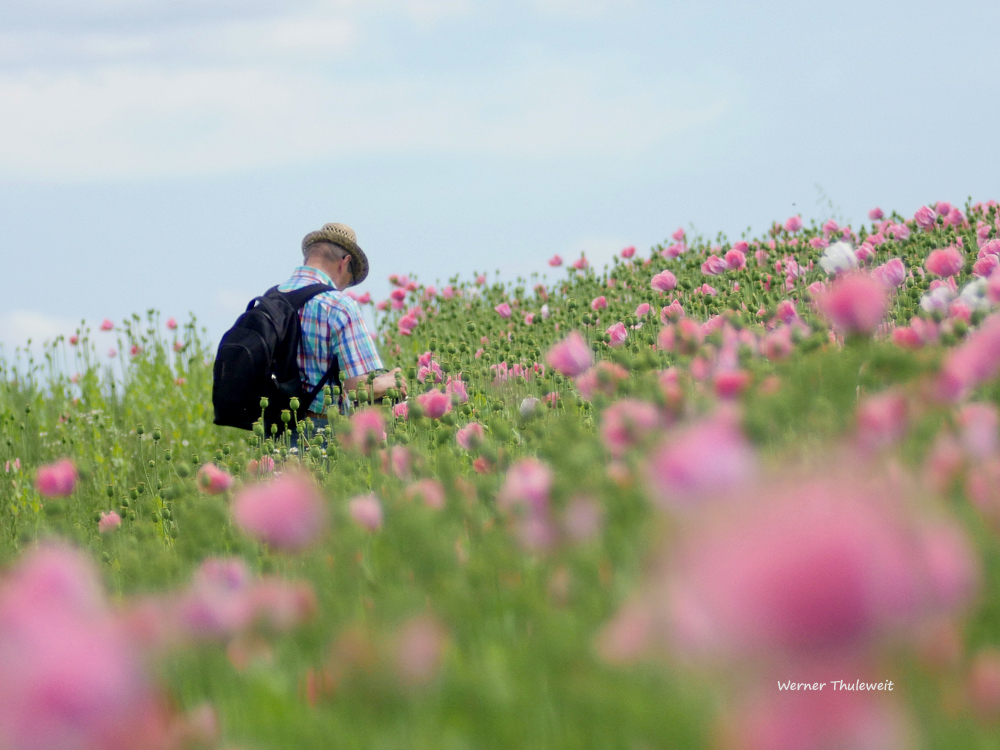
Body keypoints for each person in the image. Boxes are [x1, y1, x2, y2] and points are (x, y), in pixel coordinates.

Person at [277, 223, 406, 428]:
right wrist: (389, 381)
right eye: (350, 279)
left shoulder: (273, 298)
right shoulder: (337, 305)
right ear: (344, 263)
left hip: (273, 430)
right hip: (319, 430)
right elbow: (355, 388)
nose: (344, 287)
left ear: (307, 259)